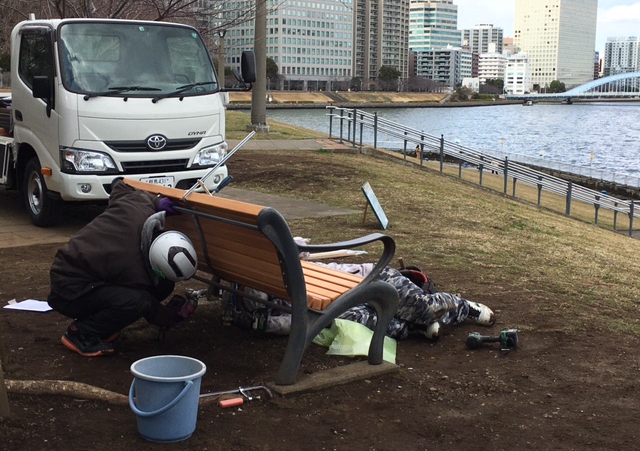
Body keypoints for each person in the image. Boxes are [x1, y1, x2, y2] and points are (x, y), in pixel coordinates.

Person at [47, 178, 199, 357]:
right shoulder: (132, 268)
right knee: (135, 301)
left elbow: (118, 184)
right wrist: (171, 317)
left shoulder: (138, 206)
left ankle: (103, 325)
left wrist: (156, 202)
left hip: (88, 275)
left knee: (163, 285)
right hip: (68, 290)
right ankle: (81, 334)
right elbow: (146, 304)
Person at [223, 261, 495, 341]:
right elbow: (296, 321)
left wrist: (262, 323)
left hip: (368, 279)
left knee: (422, 308)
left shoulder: (283, 265)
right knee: (358, 320)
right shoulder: (265, 296)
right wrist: (263, 323)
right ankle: (414, 329)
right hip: (339, 301)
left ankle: (463, 306)